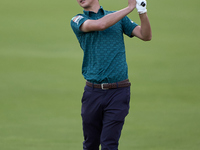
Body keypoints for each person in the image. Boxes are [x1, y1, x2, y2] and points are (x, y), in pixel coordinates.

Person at [70, 0, 152, 149]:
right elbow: (101, 25)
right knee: (90, 144)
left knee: (109, 144)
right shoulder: (77, 20)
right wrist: (129, 8)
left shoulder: (118, 18)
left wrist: (142, 12)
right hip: (92, 93)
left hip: (119, 92)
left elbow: (145, 35)